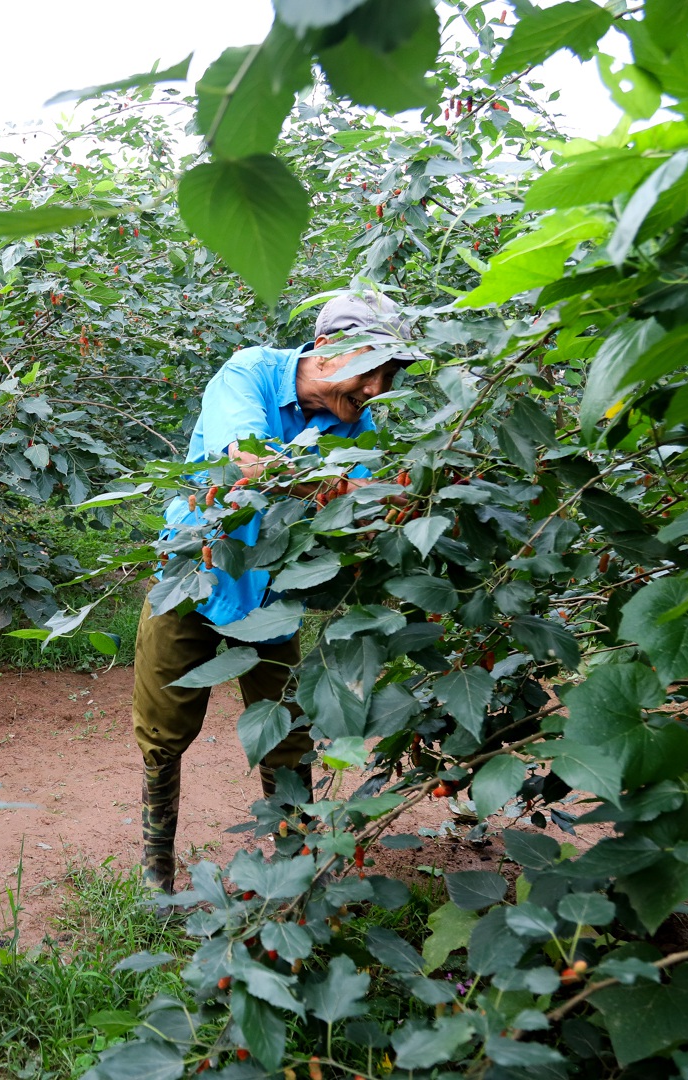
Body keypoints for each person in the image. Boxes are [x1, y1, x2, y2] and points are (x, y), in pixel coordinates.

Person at [133, 291, 419, 894]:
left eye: (388, 374)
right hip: (193, 575)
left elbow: (353, 521)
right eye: (370, 369)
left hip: (269, 598)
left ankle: (295, 870)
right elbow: (249, 463)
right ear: (324, 351)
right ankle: (155, 869)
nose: (376, 389)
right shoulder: (248, 373)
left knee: (287, 735)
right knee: (163, 728)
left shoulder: (356, 424)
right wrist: (343, 489)